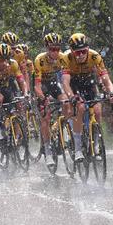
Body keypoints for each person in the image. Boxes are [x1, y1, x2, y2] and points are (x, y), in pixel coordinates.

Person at [60, 33, 113, 162]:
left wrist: (111, 93)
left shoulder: (95, 56)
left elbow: (106, 80)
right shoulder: (66, 58)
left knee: (97, 111)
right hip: (74, 84)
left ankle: (96, 143)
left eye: (84, 51)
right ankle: (78, 147)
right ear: (72, 51)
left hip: (89, 83)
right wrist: (71, 96)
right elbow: (65, 83)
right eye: (77, 53)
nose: (81, 55)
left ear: (88, 49)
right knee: (80, 108)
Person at [34, 33, 68, 167]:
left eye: (57, 49)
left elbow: (66, 80)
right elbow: (37, 86)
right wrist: (43, 98)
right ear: (46, 48)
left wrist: (68, 94)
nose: (55, 52)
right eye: (51, 49)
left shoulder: (63, 58)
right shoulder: (39, 60)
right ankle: (48, 151)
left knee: (67, 103)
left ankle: (58, 128)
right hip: (41, 85)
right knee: (45, 117)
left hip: (54, 84)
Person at [0, 43, 27, 141]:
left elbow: (21, 80)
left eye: (6, 59)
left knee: (14, 109)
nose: (4, 63)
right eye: (1, 60)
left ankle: (16, 138)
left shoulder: (13, 64)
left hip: (4, 86)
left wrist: (25, 94)